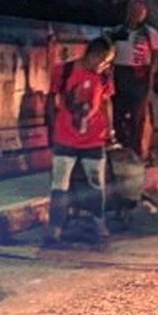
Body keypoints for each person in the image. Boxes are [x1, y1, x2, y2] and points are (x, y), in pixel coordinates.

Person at [45, 37, 116, 246]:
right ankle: (55, 227)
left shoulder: (104, 77)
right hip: (65, 137)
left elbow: (106, 102)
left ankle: (98, 222)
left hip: (94, 139)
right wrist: (51, 127)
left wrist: (110, 130)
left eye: (108, 62)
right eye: (103, 60)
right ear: (92, 55)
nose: (105, 65)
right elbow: (52, 98)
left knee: (96, 184)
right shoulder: (64, 71)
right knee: (60, 185)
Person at [108, 0, 158, 159]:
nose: (136, 14)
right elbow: (108, 50)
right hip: (120, 73)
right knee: (118, 113)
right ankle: (123, 144)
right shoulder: (118, 30)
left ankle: (136, 151)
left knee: (137, 115)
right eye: (134, 10)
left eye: (140, 11)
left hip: (140, 75)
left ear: (144, 14)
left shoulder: (149, 33)